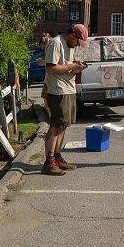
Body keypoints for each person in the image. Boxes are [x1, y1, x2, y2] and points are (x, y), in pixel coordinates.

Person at [41, 24, 88, 175]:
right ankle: (49, 162)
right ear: (72, 35)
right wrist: (73, 65)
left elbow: (65, 65)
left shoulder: (70, 46)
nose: (77, 45)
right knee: (55, 126)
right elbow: (51, 68)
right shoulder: (56, 43)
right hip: (58, 91)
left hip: (68, 89)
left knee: (63, 125)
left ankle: (56, 156)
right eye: (77, 42)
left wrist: (76, 66)